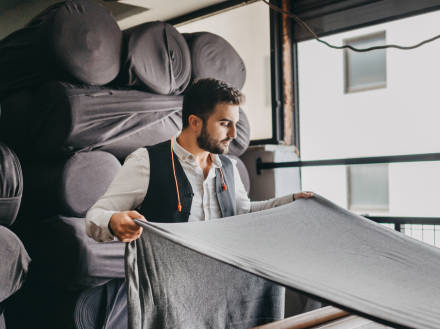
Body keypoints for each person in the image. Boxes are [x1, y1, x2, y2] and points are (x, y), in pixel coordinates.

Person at [86, 78, 312, 242]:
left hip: (219, 289)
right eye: (225, 124)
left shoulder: (228, 167)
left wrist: (291, 202)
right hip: (168, 294)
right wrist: (113, 221)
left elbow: (243, 212)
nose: (233, 134)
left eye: (235, 124)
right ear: (195, 122)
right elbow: (94, 218)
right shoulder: (145, 161)